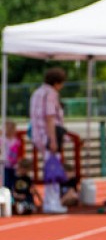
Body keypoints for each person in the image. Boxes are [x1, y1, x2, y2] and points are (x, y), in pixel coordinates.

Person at [28, 67, 69, 213]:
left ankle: (51, 201)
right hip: (48, 135)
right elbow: (50, 117)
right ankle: (52, 201)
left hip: (37, 134)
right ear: (57, 82)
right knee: (53, 169)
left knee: (49, 166)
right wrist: (53, 140)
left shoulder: (37, 93)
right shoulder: (51, 94)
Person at [3, 120, 24, 190]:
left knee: (14, 182)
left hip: (14, 165)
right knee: (6, 182)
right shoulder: (3, 140)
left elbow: (19, 153)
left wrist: (19, 162)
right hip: (5, 164)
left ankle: (12, 196)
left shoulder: (16, 141)